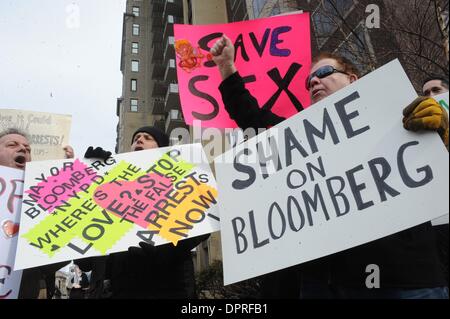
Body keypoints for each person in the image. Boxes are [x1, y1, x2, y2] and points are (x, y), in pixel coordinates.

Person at [210, 35, 448, 299]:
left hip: (405, 279)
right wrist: (226, 68)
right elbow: (251, 116)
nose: (313, 81)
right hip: (328, 283)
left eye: (324, 72)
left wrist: (441, 132)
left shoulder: (399, 113)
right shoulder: (300, 137)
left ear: (353, 78)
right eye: (309, 80)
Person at [86, 126, 209, 298]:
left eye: (148, 137)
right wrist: (92, 175)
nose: (139, 139)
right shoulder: (112, 187)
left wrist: (162, 250)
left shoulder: (180, 179)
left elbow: (201, 223)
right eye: (136, 137)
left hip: (168, 288)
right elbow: (85, 262)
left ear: (162, 149)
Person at [0, 128, 71, 299]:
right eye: (12, 145)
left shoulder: (39, 202)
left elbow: (51, 262)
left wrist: (70, 179)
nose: (23, 149)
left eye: (28, 148)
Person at [418, 75, 449, 287]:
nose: (430, 96)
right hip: (439, 225)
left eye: (436, 91)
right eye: (425, 93)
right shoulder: (422, 127)